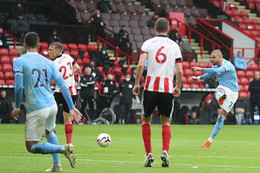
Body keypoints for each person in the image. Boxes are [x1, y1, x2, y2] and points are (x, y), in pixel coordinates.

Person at [12, 32, 82, 172]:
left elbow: (19, 87)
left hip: (37, 107)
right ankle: (57, 165)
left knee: (31, 146)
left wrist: (17, 106)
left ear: (24, 44)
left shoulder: (19, 61)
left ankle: (63, 148)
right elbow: (63, 85)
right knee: (49, 132)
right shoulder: (49, 62)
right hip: (52, 105)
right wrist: (72, 106)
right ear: (39, 45)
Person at [132, 18, 183, 167]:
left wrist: (136, 84)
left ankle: (148, 154)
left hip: (150, 89)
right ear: (168, 29)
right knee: (166, 122)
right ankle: (165, 151)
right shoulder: (174, 45)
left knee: (145, 120)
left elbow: (141, 65)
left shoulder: (148, 43)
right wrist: (178, 87)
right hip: (167, 89)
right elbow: (180, 71)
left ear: (155, 28)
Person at [191, 50, 239, 148]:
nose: (211, 59)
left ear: (219, 57)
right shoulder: (214, 66)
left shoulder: (227, 65)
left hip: (233, 92)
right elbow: (211, 74)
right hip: (223, 88)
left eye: (213, 57)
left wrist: (200, 68)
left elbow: (217, 72)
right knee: (218, 92)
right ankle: (209, 141)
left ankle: (222, 99)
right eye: (211, 57)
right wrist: (199, 78)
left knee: (221, 116)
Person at [48, 42, 80, 145]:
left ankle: (51, 130)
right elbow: (77, 68)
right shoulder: (67, 57)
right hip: (72, 92)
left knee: (48, 110)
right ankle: (69, 143)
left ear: (57, 51)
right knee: (67, 118)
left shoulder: (53, 64)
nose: (49, 52)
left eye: (50, 50)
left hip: (59, 91)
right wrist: (69, 75)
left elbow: (52, 81)